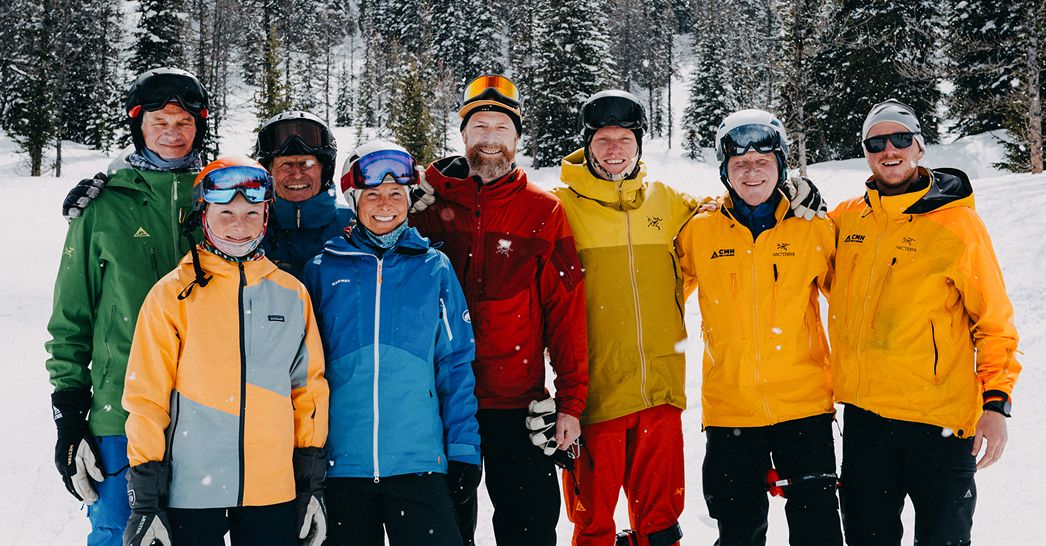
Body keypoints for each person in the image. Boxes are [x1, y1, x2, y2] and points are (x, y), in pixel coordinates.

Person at [829, 99, 1021, 545]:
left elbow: (993, 321)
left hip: (939, 425)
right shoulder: (846, 218)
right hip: (866, 421)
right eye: (876, 142)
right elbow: (797, 248)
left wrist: (996, 404)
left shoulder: (958, 225)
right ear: (866, 151)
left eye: (900, 139)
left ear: (919, 146)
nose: (889, 149)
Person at [411, 74, 589, 546]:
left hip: (519, 405)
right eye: (480, 128)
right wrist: (404, 196)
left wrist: (570, 401)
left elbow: (566, 316)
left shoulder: (543, 211)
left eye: (501, 129)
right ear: (463, 134)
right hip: (439, 403)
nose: (490, 140)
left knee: (529, 528)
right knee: (444, 532)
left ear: (517, 139)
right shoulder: (423, 204)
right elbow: (359, 209)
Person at [121, 156, 329, 546]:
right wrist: (146, 500)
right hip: (192, 493)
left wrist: (311, 484)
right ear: (204, 216)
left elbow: (309, 392)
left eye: (252, 212)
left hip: (274, 490)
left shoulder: (290, 293)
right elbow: (146, 397)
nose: (239, 224)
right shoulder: (172, 293)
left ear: (266, 216)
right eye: (226, 212)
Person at [45, 67, 210, 545]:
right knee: (121, 534)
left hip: (208, 414)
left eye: (183, 121)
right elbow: (71, 321)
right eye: (160, 120)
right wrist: (70, 417)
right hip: (121, 416)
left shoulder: (223, 199)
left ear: (198, 125)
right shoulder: (101, 206)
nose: (172, 133)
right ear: (139, 125)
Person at [675, 109, 842, 545]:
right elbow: (661, 297)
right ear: (725, 171)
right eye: (740, 164)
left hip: (803, 408)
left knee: (818, 531)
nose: (752, 172)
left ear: (782, 166)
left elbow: (858, 302)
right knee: (739, 532)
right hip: (731, 411)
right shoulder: (700, 231)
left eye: (763, 161)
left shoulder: (814, 228)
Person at [301, 141, 480, 545]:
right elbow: (304, 371)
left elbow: (454, 364)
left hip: (420, 464)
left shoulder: (434, 267)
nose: (385, 204)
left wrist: (464, 448)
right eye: (373, 194)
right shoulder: (323, 268)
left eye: (396, 194)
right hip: (341, 468)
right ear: (354, 199)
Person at [252, 110, 353, 278]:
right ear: (269, 174)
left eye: (307, 164)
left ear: (324, 171)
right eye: (285, 165)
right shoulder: (250, 231)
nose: (297, 174)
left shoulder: (357, 228)